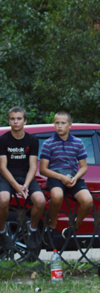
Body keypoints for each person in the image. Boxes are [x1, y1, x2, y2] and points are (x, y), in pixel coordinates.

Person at [39, 111, 94, 250]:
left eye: (63, 123)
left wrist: (75, 177)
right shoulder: (48, 143)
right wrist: (61, 177)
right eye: (57, 123)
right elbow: (43, 169)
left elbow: (84, 167)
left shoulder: (78, 142)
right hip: (56, 177)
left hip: (73, 177)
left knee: (88, 200)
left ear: (70, 125)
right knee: (57, 196)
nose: (59, 126)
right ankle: (52, 225)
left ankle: (73, 227)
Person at [0, 107, 47, 258]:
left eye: (19, 119)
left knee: (40, 201)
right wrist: (16, 186)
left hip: (26, 177)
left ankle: (32, 230)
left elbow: (34, 166)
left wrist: (25, 185)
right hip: (7, 177)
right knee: (3, 199)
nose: (15, 122)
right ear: (9, 121)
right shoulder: (3, 139)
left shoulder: (32, 140)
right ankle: (2, 232)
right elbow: (2, 166)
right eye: (12, 119)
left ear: (25, 121)